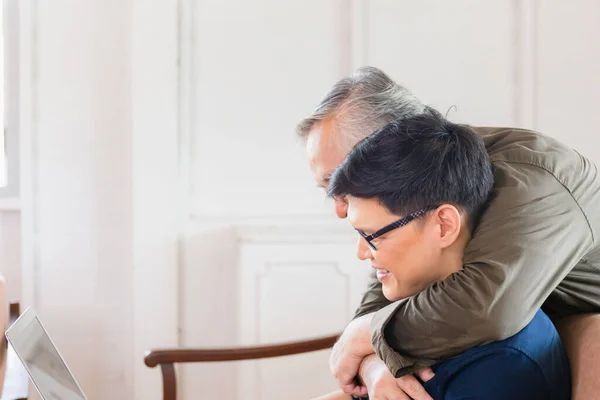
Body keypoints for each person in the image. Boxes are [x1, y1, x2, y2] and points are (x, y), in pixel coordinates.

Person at [298, 66, 600, 400]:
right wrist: (375, 363)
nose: (340, 208)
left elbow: (488, 307)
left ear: (390, 145)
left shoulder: (535, 180)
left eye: (339, 180)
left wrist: (365, 337)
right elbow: (386, 289)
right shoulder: (423, 192)